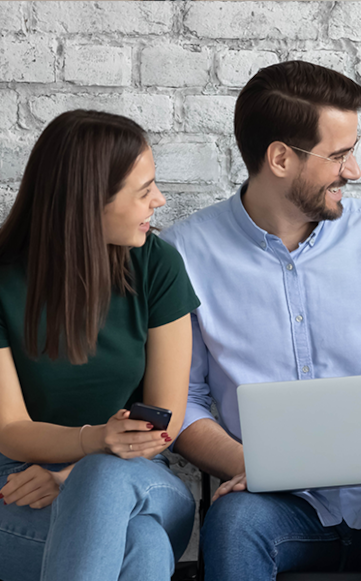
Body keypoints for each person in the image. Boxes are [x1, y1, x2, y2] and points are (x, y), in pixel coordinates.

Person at [160, 60, 361, 581]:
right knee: (232, 522)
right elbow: (182, 400)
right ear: (281, 158)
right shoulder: (184, 254)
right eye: (339, 155)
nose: (352, 171)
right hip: (273, 501)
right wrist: (246, 465)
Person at [0, 110, 200, 581]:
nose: (160, 199)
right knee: (142, 547)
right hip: (18, 480)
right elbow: (9, 426)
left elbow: (163, 425)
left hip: (140, 477)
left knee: (102, 480)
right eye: (144, 190)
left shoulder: (158, 266)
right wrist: (90, 440)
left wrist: (73, 476)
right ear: (89, 202)